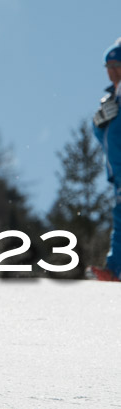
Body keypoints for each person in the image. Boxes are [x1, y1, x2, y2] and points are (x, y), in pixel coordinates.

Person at [89, 38, 121, 282]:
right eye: (108, 67)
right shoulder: (110, 100)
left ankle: (113, 269)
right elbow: (107, 139)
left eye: (117, 65)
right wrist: (98, 124)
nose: (112, 72)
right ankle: (113, 269)